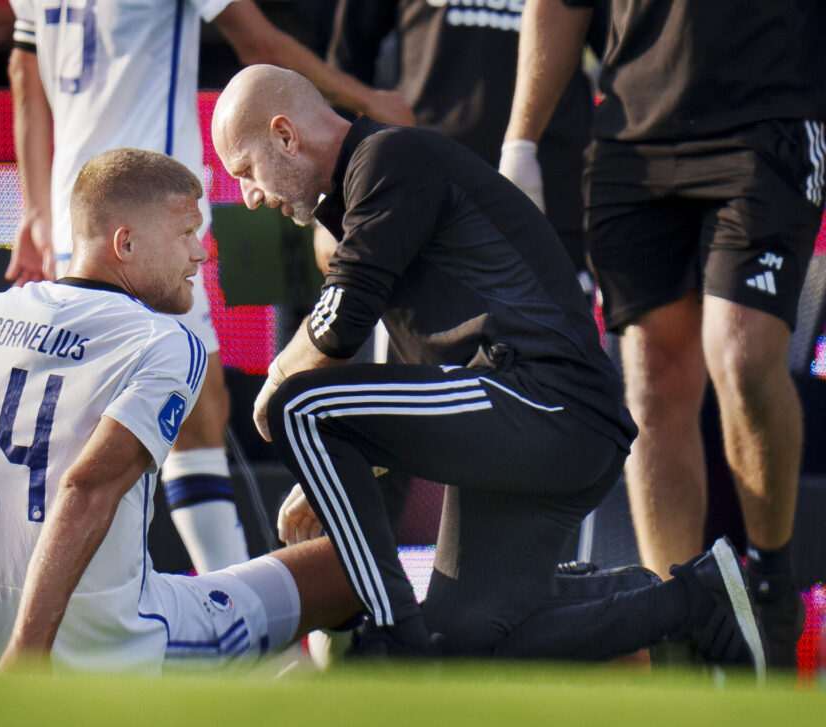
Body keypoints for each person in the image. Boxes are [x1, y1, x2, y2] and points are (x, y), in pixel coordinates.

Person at [210, 64, 768, 671]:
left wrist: (280, 397)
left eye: (246, 171)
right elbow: (410, 374)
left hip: (546, 405)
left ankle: (395, 638)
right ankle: (690, 602)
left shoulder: (390, 156)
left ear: (287, 135)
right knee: (465, 640)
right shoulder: (371, 196)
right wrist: (332, 465)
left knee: (299, 402)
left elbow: (339, 327)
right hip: (537, 425)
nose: (250, 196)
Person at [0, 148, 361, 674]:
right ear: (125, 243)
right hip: (86, 642)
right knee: (353, 566)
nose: (202, 254)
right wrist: (27, 653)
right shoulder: (165, 340)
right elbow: (87, 489)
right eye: (186, 234)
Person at [5, 0, 414, 576]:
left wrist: (35, 209)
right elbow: (259, 47)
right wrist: (369, 101)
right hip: (147, 218)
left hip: (78, 217)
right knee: (190, 403)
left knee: (111, 418)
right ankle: (238, 631)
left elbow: (26, 76)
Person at [502, 0, 826, 668]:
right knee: (649, 382)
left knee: (741, 352)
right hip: (632, 135)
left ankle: (769, 585)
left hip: (774, 118)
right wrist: (519, 143)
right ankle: (679, 617)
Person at [326, 0, 595, 281]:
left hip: (548, 186)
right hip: (426, 195)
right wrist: (334, 202)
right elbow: (347, 59)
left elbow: (621, 47)